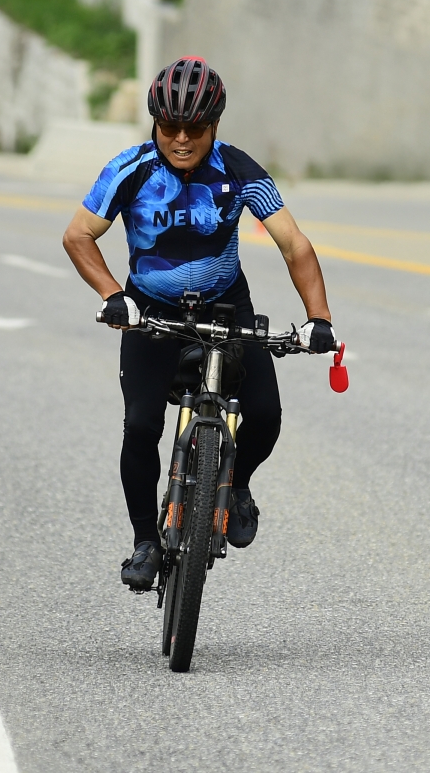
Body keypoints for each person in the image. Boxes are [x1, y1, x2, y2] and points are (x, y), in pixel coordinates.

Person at [62, 57, 338, 591]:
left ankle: (235, 486)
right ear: (155, 124)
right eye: (170, 127)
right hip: (152, 312)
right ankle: (145, 542)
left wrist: (318, 319)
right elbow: (78, 235)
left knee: (266, 413)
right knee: (141, 425)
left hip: (224, 306)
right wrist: (114, 295)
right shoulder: (131, 169)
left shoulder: (237, 170)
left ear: (215, 125)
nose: (182, 139)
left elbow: (293, 243)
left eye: (196, 128)